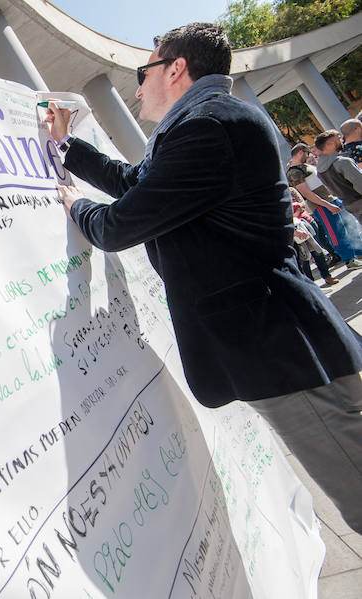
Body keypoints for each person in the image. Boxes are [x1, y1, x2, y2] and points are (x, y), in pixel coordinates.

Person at [44, 23, 362, 534]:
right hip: (283, 349)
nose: (138, 87)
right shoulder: (207, 121)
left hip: (283, 354)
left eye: (143, 73)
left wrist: (73, 204)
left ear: (175, 69)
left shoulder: (207, 126)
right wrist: (69, 149)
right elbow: (136, 183)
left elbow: (120, 223)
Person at [290, 188, 338, 285]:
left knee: (317, 251)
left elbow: (302, 203)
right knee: (303, 257)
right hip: (292, 229)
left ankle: (327, 276)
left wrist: (295, 214)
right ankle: (311, 284)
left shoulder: (291, 190)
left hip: (307, 222)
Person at [315, 129, 362, 222]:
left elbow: (332, 192)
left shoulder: (319, 170)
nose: (342, 141)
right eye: (339, 138)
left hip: (350, 206)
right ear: (330, 144)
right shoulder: (343, 162)